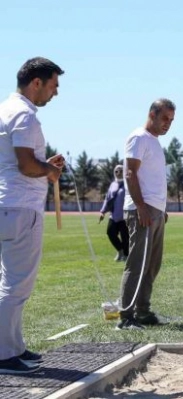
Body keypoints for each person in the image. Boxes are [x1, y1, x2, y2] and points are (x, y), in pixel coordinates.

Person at [0, 57, 65, 374]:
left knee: (8, 281)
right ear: (36, 82)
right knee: (16, 285)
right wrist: (49, 170)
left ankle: (13, 347)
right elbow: (26, 166)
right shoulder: (26, 116)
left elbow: (16, 161)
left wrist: (43, 164)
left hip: (6, 204)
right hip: (21, 207)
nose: (55, 93)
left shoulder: (4, 110)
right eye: (53, 85)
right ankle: (4, 355)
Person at [116, 98, 175, 330]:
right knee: (137, 263)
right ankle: (126, 316)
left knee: (152, 265)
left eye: (171, 120)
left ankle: (143, 311)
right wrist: (140, 206)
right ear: (152, 114)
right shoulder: (139, 137)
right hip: (142, 209)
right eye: (164, 118)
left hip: (156, 210)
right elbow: (130, 173)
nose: (168, 124)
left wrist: (162, 208)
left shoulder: (154, 142)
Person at [99, 165, 129, 262]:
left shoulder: (127, 184)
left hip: (125, 216)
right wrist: (103, 212)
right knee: (110, 232)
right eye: (116, 171)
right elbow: (107, 199)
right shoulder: (112, 185)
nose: (118, 173)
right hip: (113, 215)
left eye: (121, 171)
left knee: (125, 236)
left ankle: (126, 255)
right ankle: (120, 251)